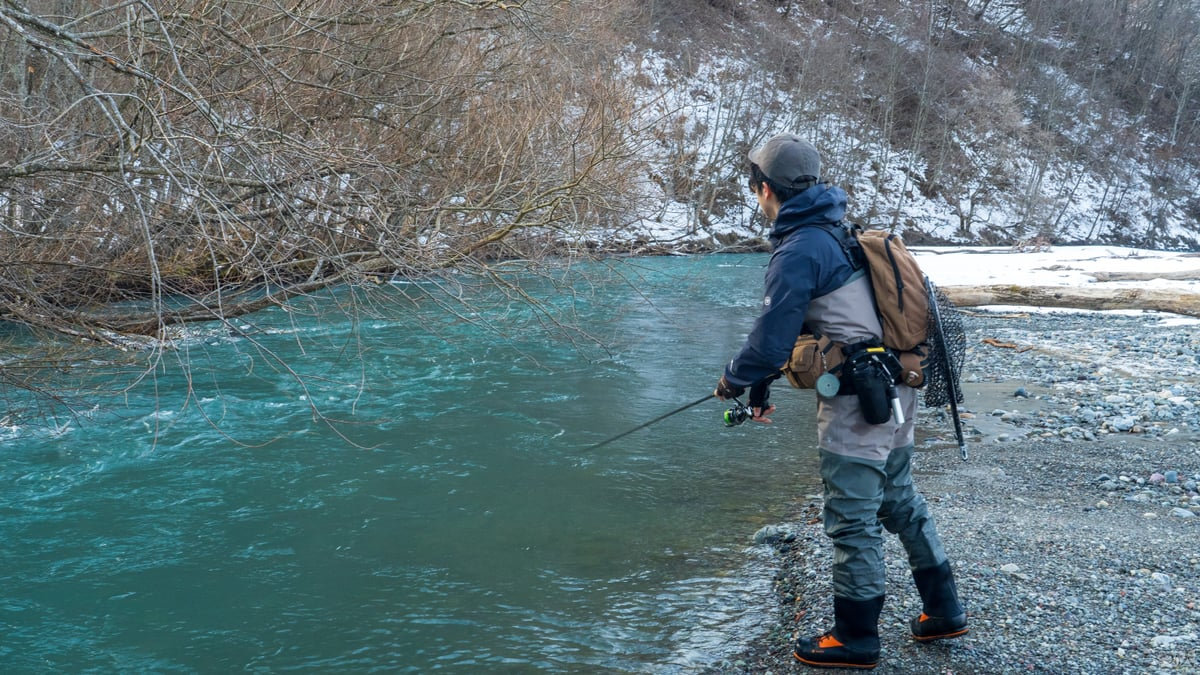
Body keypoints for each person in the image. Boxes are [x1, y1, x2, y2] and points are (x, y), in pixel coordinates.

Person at [714, 133, 968, 670]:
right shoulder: (837, 229)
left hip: (858, 404)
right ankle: (943, 610)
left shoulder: (800, 247)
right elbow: (805, 331)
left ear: (765, 189)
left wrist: (734, 381)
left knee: (852, 518)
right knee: (899, 500)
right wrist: (759, 386)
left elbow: (768, 343)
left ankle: (855, 638)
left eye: (754, 187)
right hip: (897, 390)